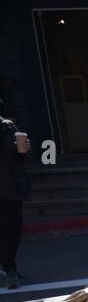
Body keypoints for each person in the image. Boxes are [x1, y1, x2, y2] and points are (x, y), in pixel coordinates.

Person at [0, 115, 30, 289]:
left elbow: (23, 155)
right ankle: (10, 269)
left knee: (14, 229)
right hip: (9, 188)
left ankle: (8, 264)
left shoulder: (8, 128)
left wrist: (25, 148)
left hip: (11, 188)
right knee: (5, 230)